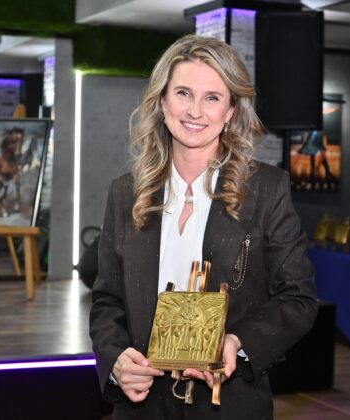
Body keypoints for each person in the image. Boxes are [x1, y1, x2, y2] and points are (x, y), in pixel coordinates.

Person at [89, 34, 317, 419]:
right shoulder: (125, 193)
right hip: (141, 407)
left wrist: (238, 343)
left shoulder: (266, 189)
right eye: (183, 93)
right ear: (162, 101)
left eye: (212, 97)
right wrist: (115, 359)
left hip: (228, 406)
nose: (195, 111)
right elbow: (107, 299)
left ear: (230, 111)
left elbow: (298, 298)